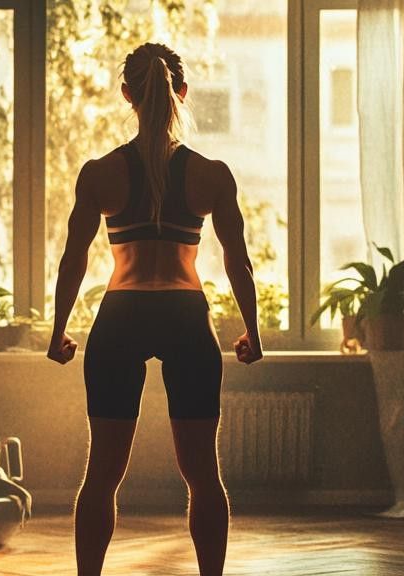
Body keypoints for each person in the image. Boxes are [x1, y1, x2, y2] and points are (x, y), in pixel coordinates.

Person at [47, 42, 262, 576]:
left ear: (127, 95)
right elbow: (239, 263)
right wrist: (253, 333)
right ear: (181, 92)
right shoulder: (212, 174)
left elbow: (73, 261)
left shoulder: (99, 173)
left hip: (122, 315)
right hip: (185, 316)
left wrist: (57, 333)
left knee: (102, 472)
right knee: (203, 474)